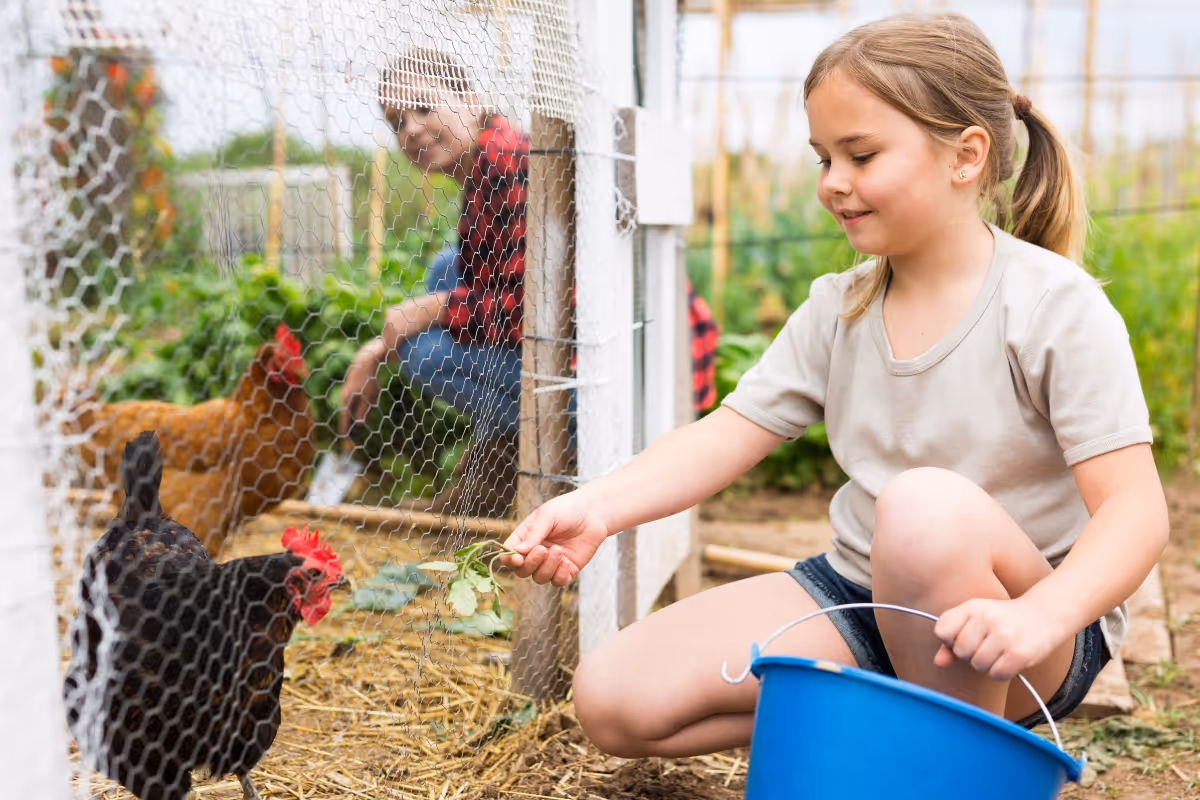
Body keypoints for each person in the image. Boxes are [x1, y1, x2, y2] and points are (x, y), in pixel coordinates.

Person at [499, 12, 1169, 759]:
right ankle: (890, 720)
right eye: (823, 158)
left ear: (966, 156)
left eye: (862, 154)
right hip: (863, 593)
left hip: (1026, 629)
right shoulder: (840, 305)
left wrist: (1043, 615)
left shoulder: (1053, 305)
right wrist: (597, 508)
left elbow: (1135, 514)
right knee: (613, 700)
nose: (834, 184)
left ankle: (943, 764)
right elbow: (726, 434)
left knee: (924, 510)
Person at [341, 49, 719, 518]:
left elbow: (539, 310)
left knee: (421, 353)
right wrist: (380, 344)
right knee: (448, 268)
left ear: (470, 98)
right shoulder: (490, 165)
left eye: (423, 107)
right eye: (397, 121)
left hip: (620, 384)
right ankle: (494, 478)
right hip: (614, 355)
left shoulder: (512, 165)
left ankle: (563, 462)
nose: (411, 129)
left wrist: (429, 312)